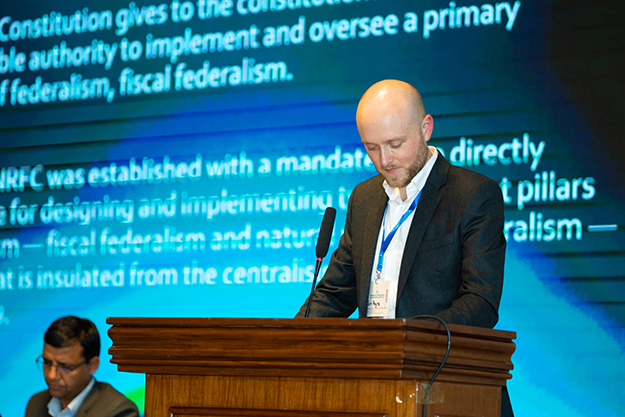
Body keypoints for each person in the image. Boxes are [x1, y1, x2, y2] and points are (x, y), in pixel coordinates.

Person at [296, 79, 512, 415]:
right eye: (371, 147)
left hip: (452, 391)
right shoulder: (364, 199)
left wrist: (406, 342)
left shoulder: (472, 195)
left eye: (395, 144)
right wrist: (291, 342)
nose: (385, 160)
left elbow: (480, 302)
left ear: (426, 128)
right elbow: (335, 292)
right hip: (378, 391)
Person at [25, 316, 139, 417]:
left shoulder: (118, 410)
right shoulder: (36, 404)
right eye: (47, 362)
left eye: (65, 366)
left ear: (92, 365)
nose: (52, 375)